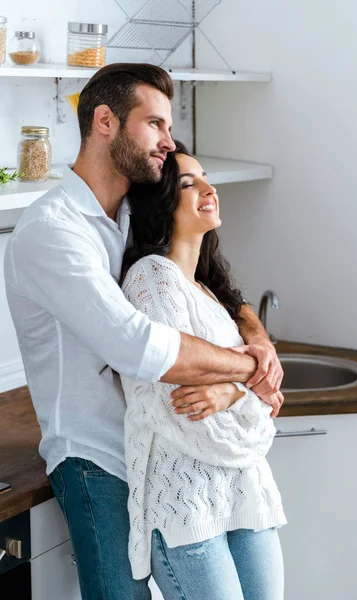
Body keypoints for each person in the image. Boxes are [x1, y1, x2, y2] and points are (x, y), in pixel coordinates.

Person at [4, 63, 283, 600]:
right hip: (98, 461)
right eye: (154, 124)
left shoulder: (133, 212)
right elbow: (136, 346)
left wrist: (254, 332)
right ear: (105, 120)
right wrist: (251, 367)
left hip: (166, 449)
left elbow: (208, 281)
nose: (167, 140)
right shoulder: (52, 230)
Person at [120, 142, 286, 600]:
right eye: (189, 183)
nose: (208, 190)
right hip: (186, 507)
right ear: (163, 204)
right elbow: (176, 403)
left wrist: (234, 391)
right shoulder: (152, 277)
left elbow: (268, 400)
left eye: (206, 178)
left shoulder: (209, 291)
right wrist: (248, 389)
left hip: (246, 491)